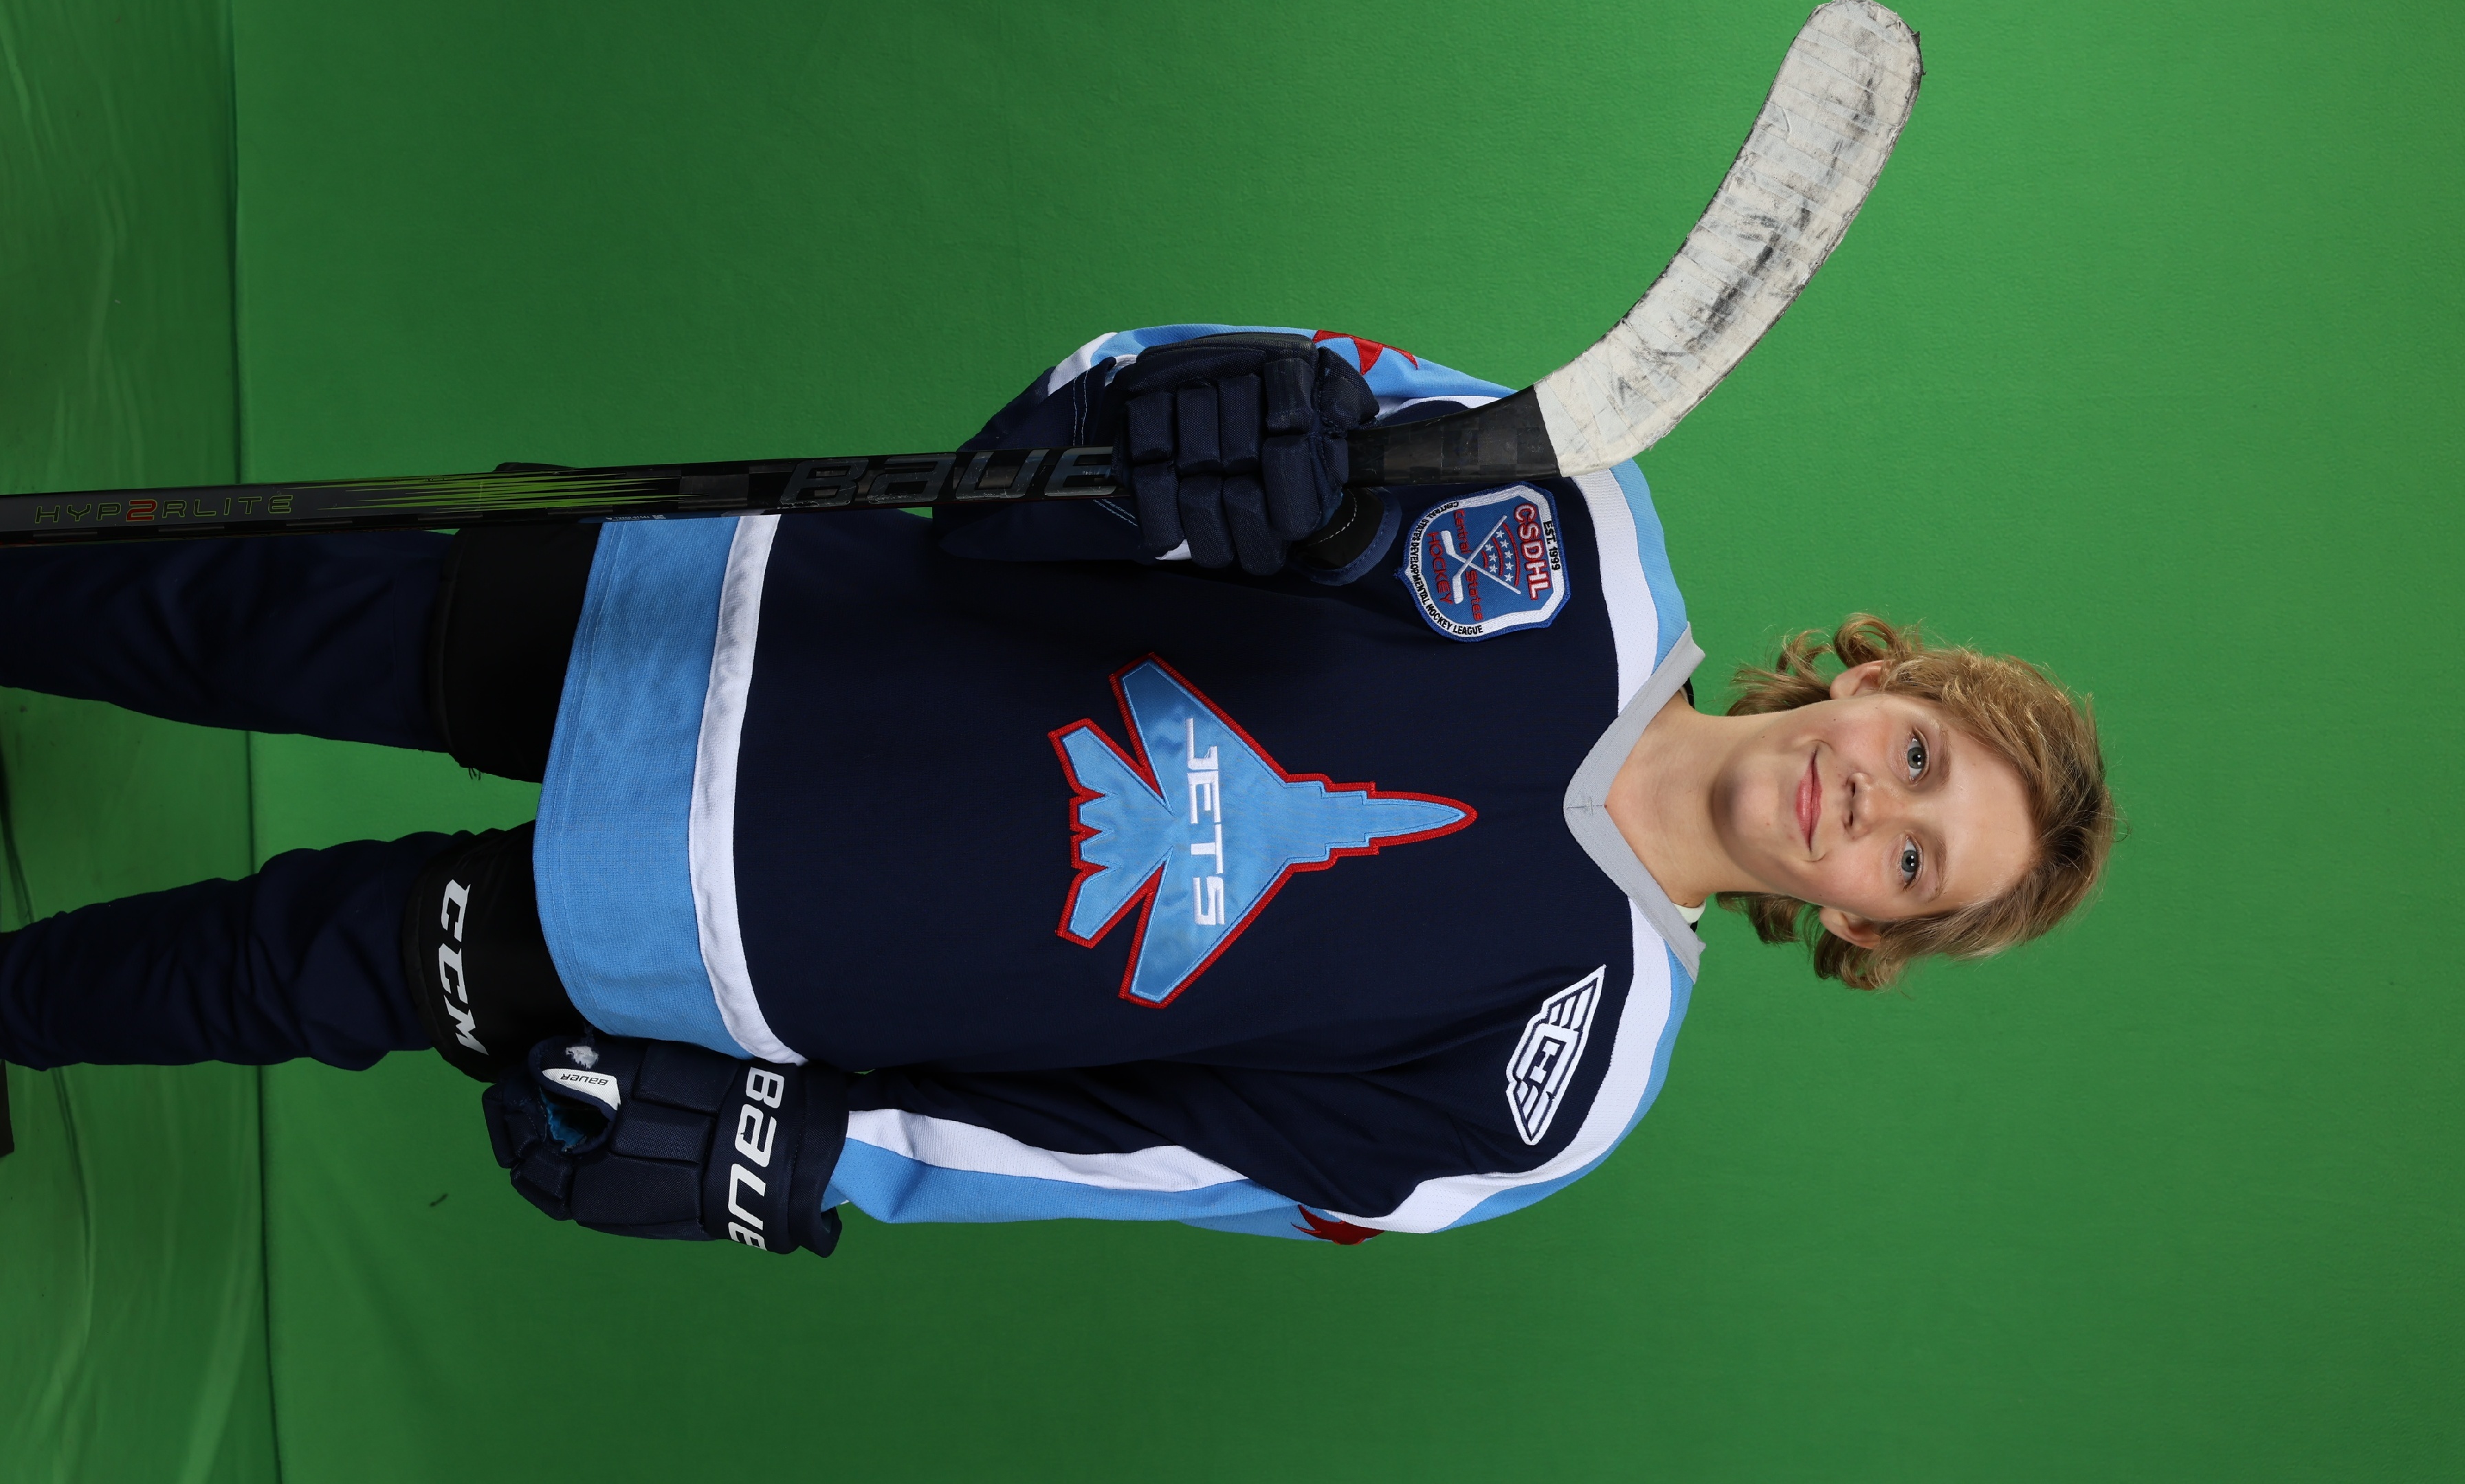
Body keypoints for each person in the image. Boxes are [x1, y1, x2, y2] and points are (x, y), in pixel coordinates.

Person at [0, 324, 2114, 1254]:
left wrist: (824, 1152)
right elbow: (1107, 395)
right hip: (740, 625)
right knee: (233, 615)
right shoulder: (1562, 514)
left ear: (1866, 933)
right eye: (1916, 755)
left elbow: (1157, 1156)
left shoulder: (1557, 1084)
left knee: (284, 970)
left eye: (1912, 860)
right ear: (1877, 675)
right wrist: (1188, 423)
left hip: (733, 941)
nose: (1866, 806)